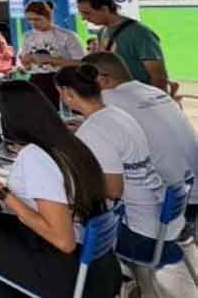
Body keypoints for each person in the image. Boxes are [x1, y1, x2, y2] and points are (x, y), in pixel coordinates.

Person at [0, 81, 121, 298]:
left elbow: (64, 242)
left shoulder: (36, 157)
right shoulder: (69, 142)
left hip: (65, 268)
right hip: (97, 265)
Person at [55, 65, 178, 295]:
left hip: (141, 233)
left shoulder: (94, 130)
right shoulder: (116, 114)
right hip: (162, 221)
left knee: (65, 226)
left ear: (67, 93)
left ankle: (107, 282)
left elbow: (113, 191)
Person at [83, 52, 198, 236]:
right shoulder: (154, 91)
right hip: (186, 192)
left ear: (103, 80)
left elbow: (90, 136)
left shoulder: (108, 98)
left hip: (168, 208)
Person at [77, 0, 167, 90]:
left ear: (104, 9)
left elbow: (159, 77)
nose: (83, 18)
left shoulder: (139, 33)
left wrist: (152, 98)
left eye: (87, 13)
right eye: (82, 14)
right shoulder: (102, 32)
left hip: (140, 95)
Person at [19, 0, 84, 107]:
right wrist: (25, 61)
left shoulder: (67, 36)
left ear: (49, 17)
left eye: (37, 19)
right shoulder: (28, 36)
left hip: (63, 80)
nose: (33, 23)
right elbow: (26, 66)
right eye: (29, 20)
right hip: (37, 80)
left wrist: (51, 60)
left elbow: (81, 62)